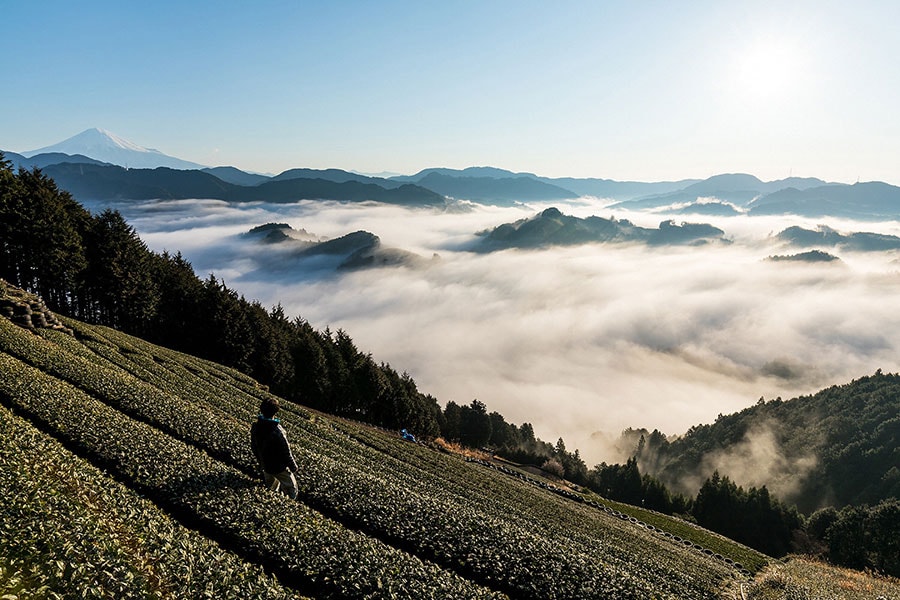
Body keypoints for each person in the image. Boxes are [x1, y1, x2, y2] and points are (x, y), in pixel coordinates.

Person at [250, 397, 299, 499]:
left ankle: (271, 501)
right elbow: (286, 451)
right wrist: (293, 466)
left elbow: (254, 446)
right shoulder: (278, 431)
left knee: (271, 487)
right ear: (276, 412)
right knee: (291, 489)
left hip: (265, 465)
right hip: (279, 467)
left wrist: (260, 459)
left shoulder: (256, 426)